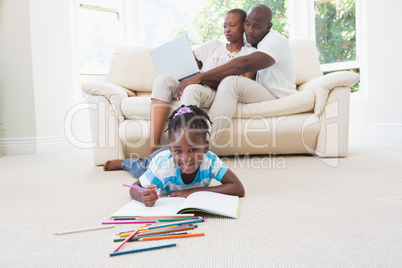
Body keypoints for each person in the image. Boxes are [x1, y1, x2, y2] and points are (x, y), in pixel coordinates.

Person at [176, 4, 296, 142]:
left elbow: (243, 65)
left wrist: (200, 76)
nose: (250, 30)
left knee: (232, 81)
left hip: (277, 96)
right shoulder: (251, 40)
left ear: (268, 26)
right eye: (247, 24)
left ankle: (203, 142)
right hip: (260, 90)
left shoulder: (276, 41)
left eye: (256, 26)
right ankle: (187, 140)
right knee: (226, 82)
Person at [145, 8, 257, 157]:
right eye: (224, 26)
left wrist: (213, 80)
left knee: (192, 90)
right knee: (162, 80)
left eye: (232, 25)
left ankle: (182, 149)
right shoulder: (215, 45)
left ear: (244, 25)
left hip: (215, 92)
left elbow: (244, 85)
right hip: (196, 82)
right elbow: (190, 62)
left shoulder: (249, 53)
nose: (227, 30)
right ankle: (154, 146)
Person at [114, 105, 245, 207]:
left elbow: (238, 188)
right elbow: (134, 187)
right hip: (155, 159)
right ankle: (125, 162)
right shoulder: (163, 168)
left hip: (167, 154)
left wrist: (192, 192)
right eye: (178, 151)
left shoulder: (210, 160)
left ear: (205, 147)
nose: (186, 157)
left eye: (192, 149)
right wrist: (142, 196)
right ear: (171, 150)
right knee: (139, 168)